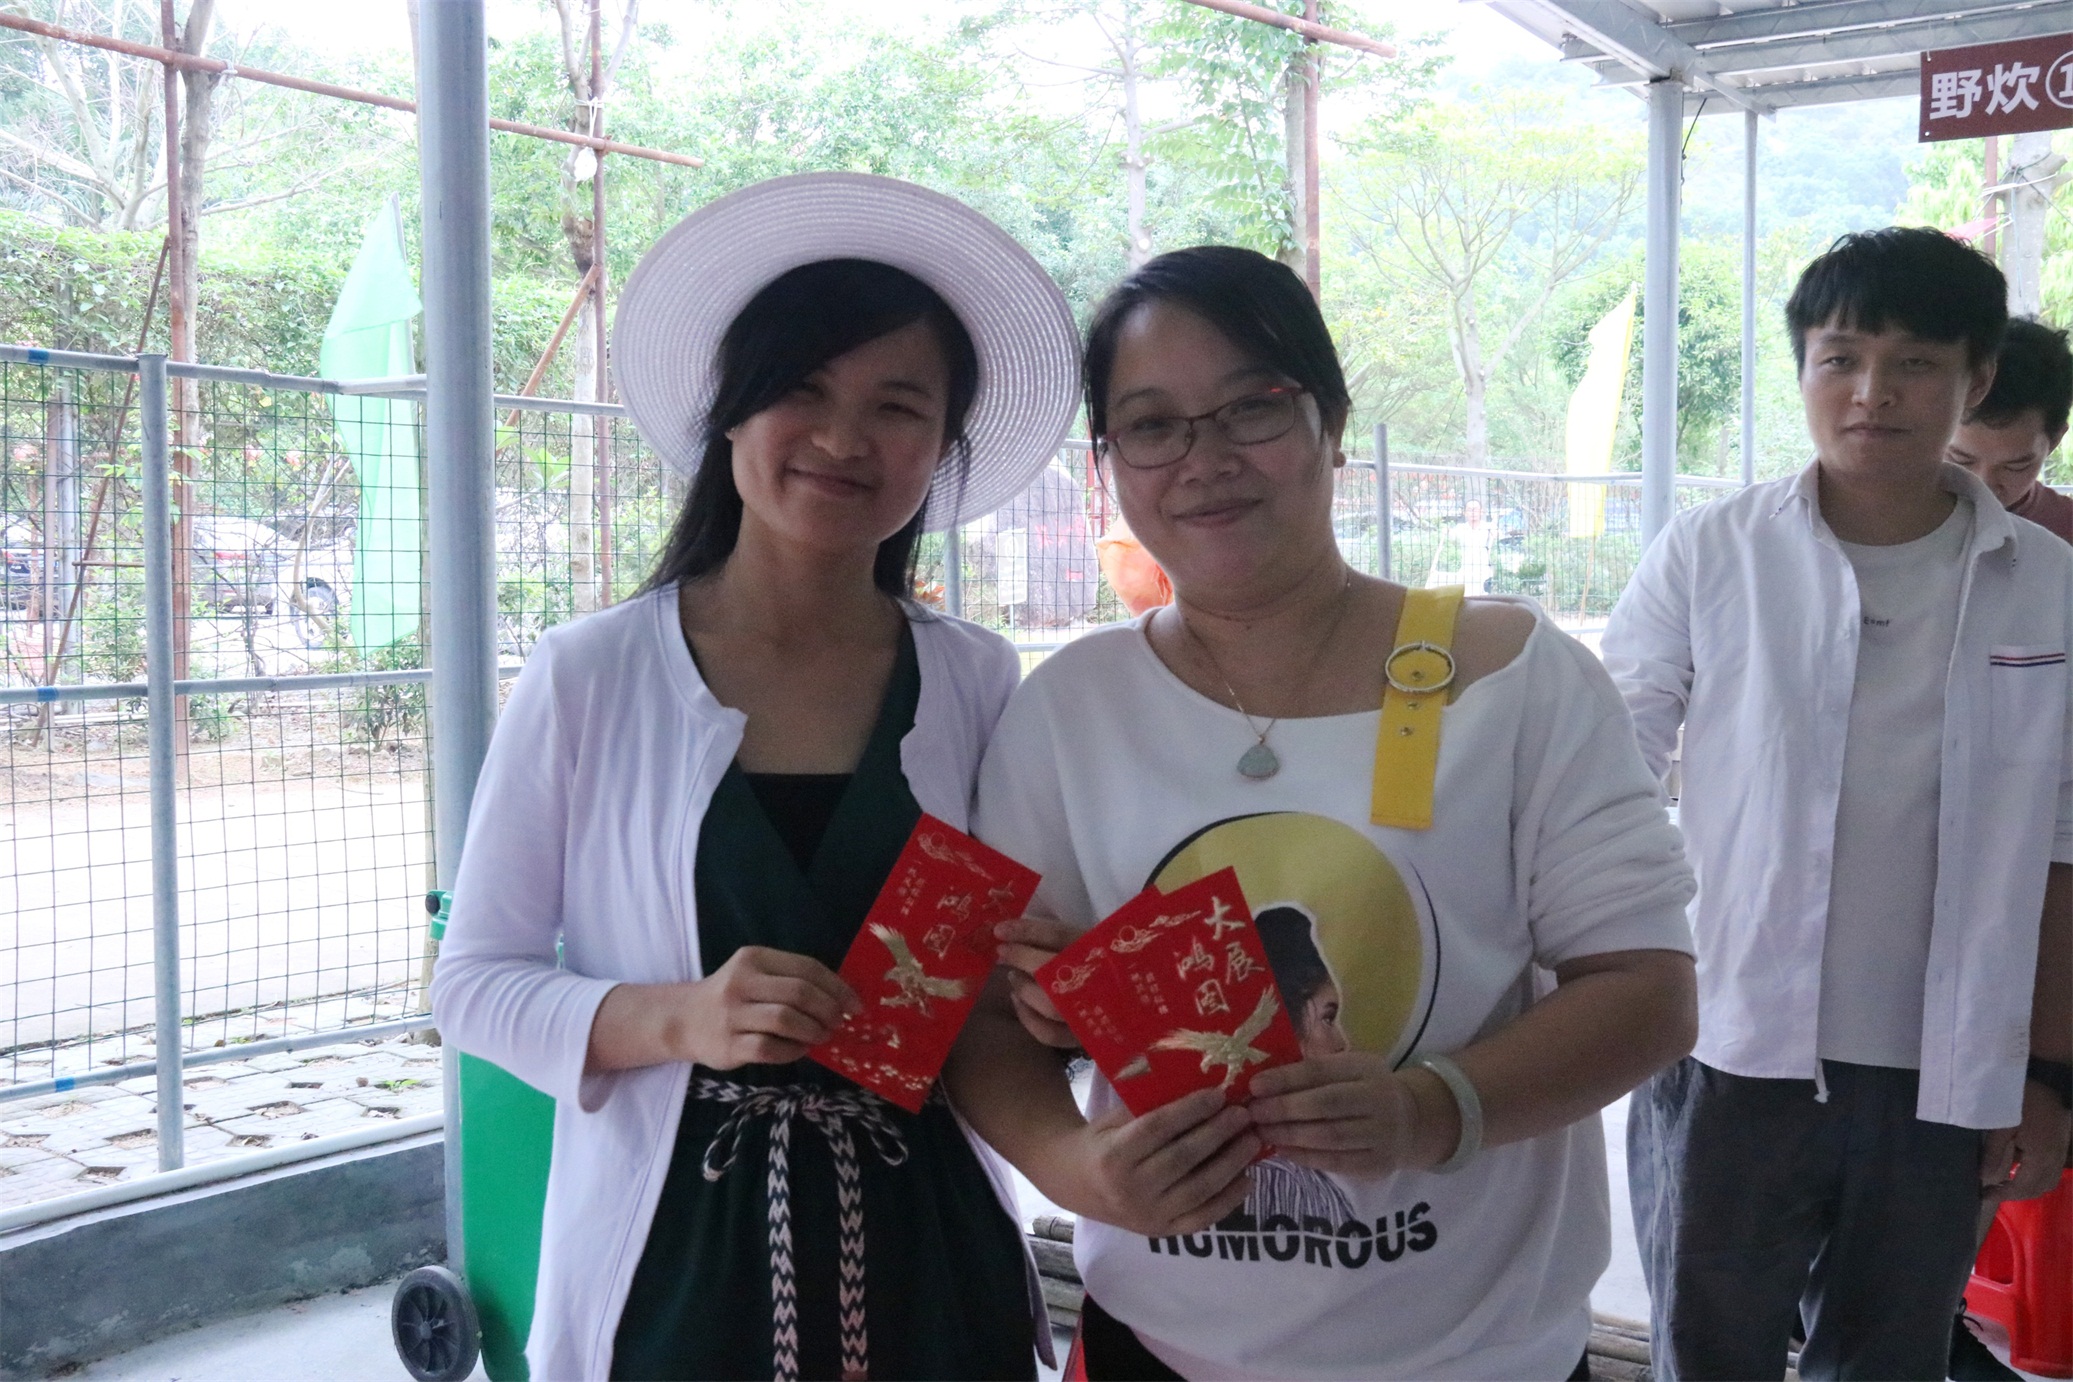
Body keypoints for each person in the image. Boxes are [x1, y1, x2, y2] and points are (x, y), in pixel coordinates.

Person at [944, 245, 1700, 1380]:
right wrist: (1073, 1164)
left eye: (1251, 407)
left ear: (1331, 424)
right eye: (1151, 426)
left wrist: (1430, 1110)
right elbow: (981, 1016)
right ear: (1109, 465)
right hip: (1160, 1348)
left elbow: (1647, 990)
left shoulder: (1515, 675)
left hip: (1477, 1359)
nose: (1205, 460)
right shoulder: (1067, 707)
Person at [431, 173, 1080, 1382]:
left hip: (933, 1256)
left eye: (898, 405)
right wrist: (680, 1016)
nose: (843, 438)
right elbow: (472, 985)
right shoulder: (590, 675)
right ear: (728, 414)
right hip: (678, 1267)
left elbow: (998, 986)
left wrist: (1046, 995)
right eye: (801, 389)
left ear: (942, 448)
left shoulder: (978, 680)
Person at [1602, 227, 2073, 1382]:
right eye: (1842, 358)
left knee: (1890, 1358)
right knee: (1707, 1353)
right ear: (1804, 368)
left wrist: (2052, 1072)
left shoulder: (2052, 585)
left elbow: (2066, 842)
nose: (1873, 392)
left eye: (1915, 363)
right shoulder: (1712, 551)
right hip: (1728, 1044)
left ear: (1975, 378)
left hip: (1946, 1070)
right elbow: (1607, 771)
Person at [1946, 314, 2073, 1380]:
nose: (1989, 492)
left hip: (2045, 881)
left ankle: (1948, 1304)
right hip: (1940, 891)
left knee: (2016, 1135)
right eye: (1964, 463)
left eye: (2016, 468)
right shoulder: (1877, 535)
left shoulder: (2063, 553)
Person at [1950, 316, 2073, 542]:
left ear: (2055, 440)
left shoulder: (2066, 535)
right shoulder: (1886, 523)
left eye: (2014, 467)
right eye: (1961, 459)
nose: (1983, 485)